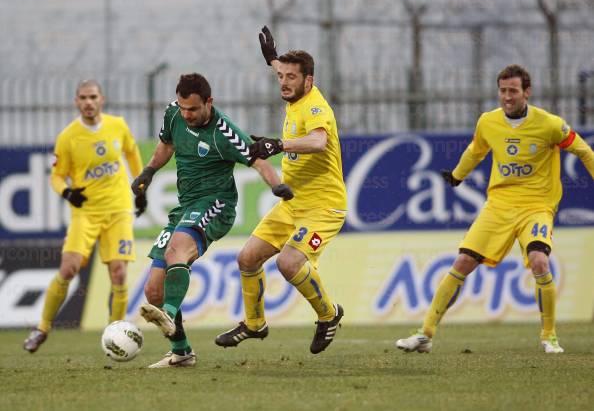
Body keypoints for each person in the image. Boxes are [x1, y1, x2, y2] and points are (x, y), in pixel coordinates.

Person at [396, 64, 594, 354]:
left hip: (536, 207)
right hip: (499, 205)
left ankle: (549, 336)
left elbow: (583, 151)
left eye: (513, 91)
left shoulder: (550, 124)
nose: (507, 97)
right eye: (503, 91)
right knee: (462, 263)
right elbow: (476, 150)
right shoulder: (488, 122)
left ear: (527, 92)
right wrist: (458, 175)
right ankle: (425, 333)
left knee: (539, 261)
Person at [132, 73, 291, 368]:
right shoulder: (174, 113)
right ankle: (181, 352)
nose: (187, 114)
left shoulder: (225, 133)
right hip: (184, 207)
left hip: (217, 203)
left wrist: (276, 186)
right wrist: (149, 172)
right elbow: (166, 145)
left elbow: (257, 159)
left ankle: (167, 312)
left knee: (177, 250)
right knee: (153, 290)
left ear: (209, 102)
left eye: (193, 109)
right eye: (183, 108)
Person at [214, 26, 348, 354]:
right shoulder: (293, 91)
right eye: (281, 77)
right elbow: (282, 69)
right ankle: (255, 325)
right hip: (294, 204)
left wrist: (278, 144)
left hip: (324, 206)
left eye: (291, 77)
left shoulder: (316, 107)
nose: (284, 82)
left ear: (309, 81)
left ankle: (329, 315)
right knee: (247, 258)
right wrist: (272, 59)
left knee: (288, 264)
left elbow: (318, 141)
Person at [23, 79, 146, 353]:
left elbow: (132, 154)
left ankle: (116, 335)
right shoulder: (68, 137)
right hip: (86, 213)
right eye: (83, 98)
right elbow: (56, 175)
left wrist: (141, 186)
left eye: (93, 97)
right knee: (68, 268)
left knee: (118, 273)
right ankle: (42, 328)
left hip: (118, 209)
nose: (88, 102)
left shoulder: (118, 125)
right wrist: (67, 192)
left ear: (102, 99)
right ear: (76, 102)